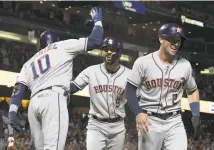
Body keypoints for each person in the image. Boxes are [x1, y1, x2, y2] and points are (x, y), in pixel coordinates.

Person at [8, 7, 104, 150]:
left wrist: (12, 112)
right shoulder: (61, 46)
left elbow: (18, 89)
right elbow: (95, 41)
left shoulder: (29, 62)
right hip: (53, 100)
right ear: (55, 40)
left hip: (33, 105)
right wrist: (98, 22)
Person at [125, 23, 201, 150]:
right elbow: (130, 89)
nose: (176, 43)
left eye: (178, 40)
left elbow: (192, 90)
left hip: (174, 121)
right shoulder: (143, 62)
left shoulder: (185, 65)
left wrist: (195, 114)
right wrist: (138, 112)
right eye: (171, 39)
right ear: (161, 39)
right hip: (150, 121)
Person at [70, 37, 130, 150]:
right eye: (106, 49)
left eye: (112, 49)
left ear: (119, 52)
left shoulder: (129, 74)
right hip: (96, 125)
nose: (108, 52)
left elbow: (140, 96)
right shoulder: (91, 71)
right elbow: (73, 87)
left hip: (118, 126)